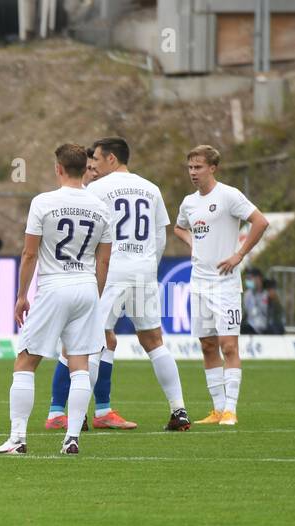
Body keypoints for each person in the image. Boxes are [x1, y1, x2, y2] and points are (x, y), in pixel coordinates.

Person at [47, 136, 190, 432]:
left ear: (111, 159)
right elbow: (160, 235)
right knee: (153, 342)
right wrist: (149, 266)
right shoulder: (151, 188)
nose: (92, 167)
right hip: (144, 271)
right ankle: (179, 411)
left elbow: (92, 230)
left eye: (96, 160)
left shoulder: (96, 189)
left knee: (93, 342)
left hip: (110, 270)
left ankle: (78, 415)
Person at [0, 143, 112, 456]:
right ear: (85, 169)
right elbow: (104, 261)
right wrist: (94, 295)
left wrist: (21, 296)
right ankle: (72, 438)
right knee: (80, 363)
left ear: (58, 168)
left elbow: (30, 253)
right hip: (86, 286)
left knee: (26, 362)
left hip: (54, 286)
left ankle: (17, 439)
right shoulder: (100, 206)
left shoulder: (43, 202)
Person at [174, 145, 269, 426]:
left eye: (198, 167)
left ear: (212, 167)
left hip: (225, 284)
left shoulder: (229, 195)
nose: (193, 172)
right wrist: (192, 241)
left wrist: (239, 255)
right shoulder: (189, 202)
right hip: (199, 282)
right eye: (190, 167)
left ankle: (231, 409)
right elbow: (179, 227)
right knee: (206, 345)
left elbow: (260, 222)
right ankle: (217, 410)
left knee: (229, 346)